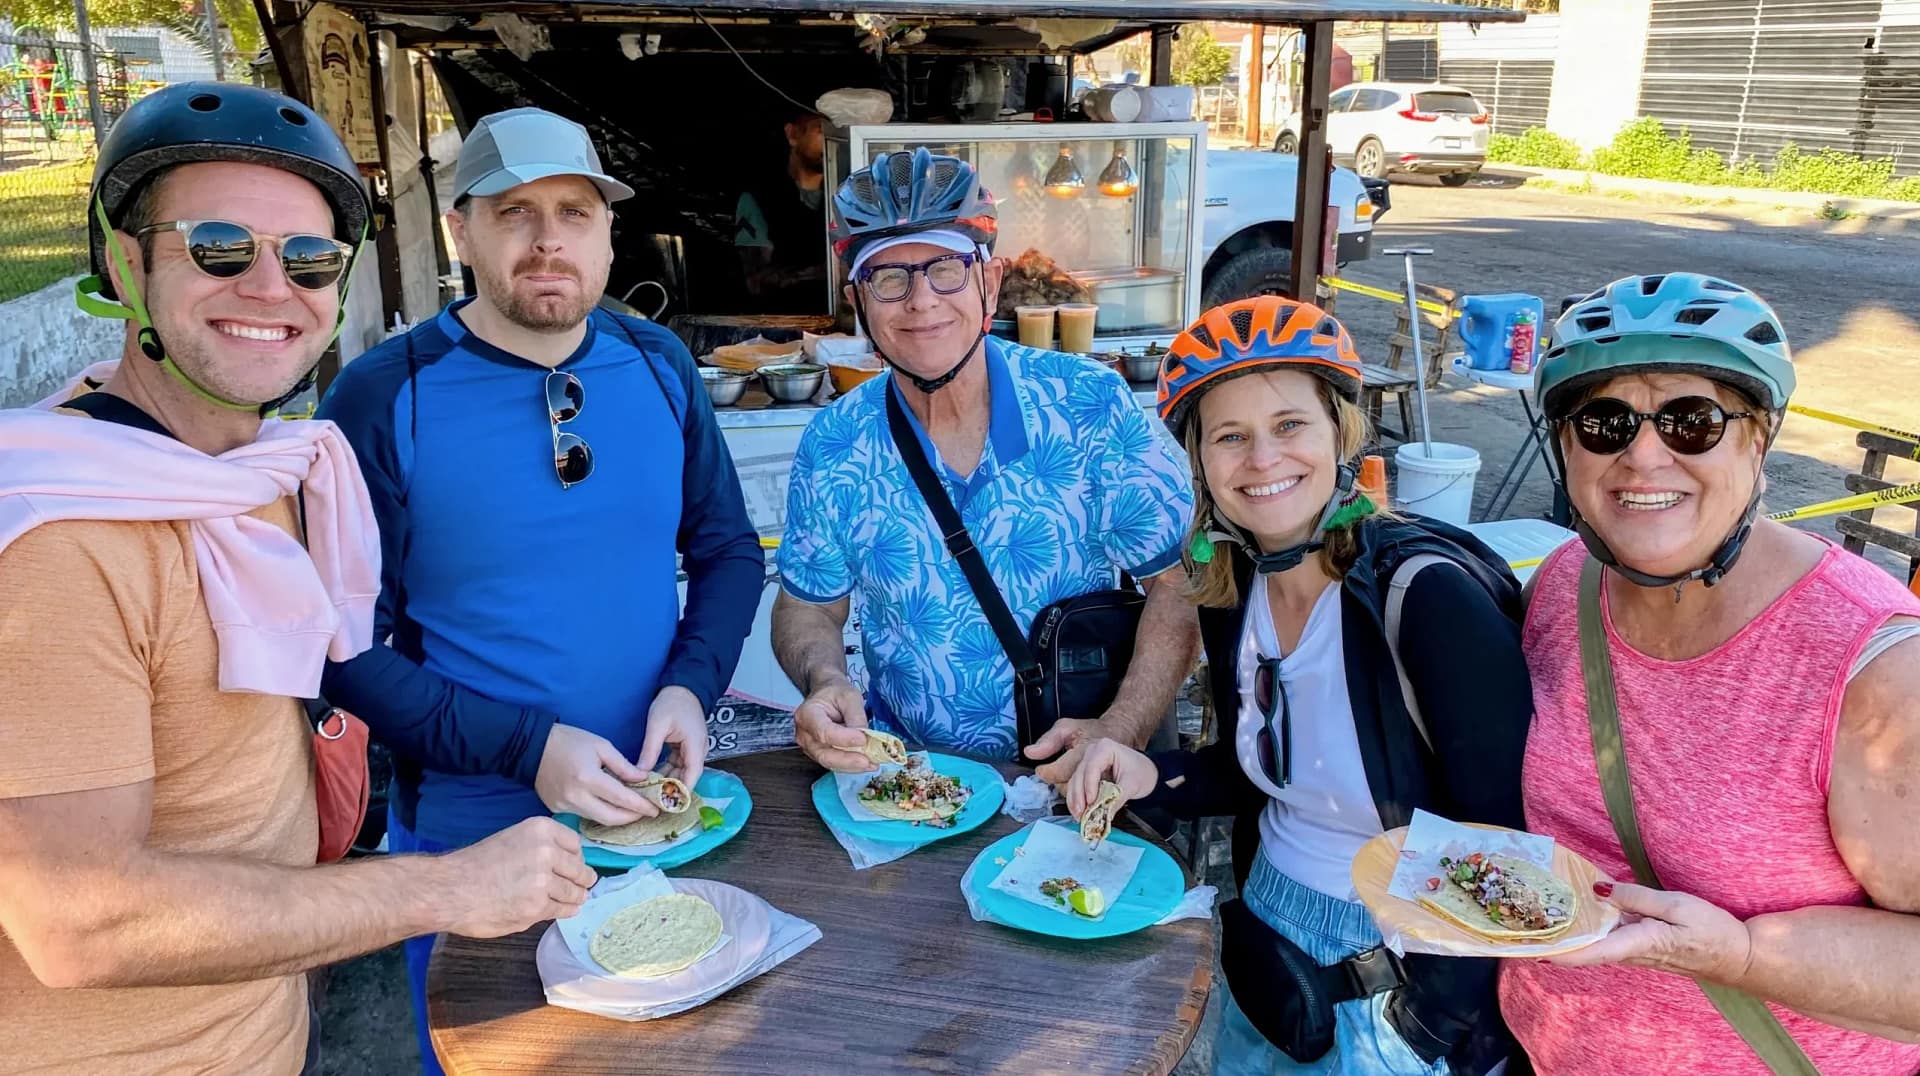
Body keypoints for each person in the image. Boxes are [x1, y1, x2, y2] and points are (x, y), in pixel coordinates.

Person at [0, 83, 595, 1076]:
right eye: (219, 245)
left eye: (309, 258)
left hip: (262, 1026)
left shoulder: (262, 474)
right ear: (124, 260)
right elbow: (78, 921)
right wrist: (444, 886)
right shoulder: (61, 539)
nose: (272, 288)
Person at [317, 106, 763, 1072]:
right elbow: (345, 650)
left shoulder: (658, 364)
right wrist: (531, 749)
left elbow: (727, 549)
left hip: (665, 817)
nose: (547, 239)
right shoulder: (382, 396)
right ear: (460, 230)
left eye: (575, 210)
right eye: (513, 211)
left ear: (609, 235)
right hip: (472, 849)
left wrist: (692, 684)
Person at [1064, 297, 1534, 1076]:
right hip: (1268, 952)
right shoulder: (1235, 584)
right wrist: (1153, 772)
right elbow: (1277, 775)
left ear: (1339, 435)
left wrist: (1429, 1023)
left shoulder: (1424, 599)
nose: (1261, 459)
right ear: (1201, 464)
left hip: (1396, 986)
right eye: (1230, 437)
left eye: (1289, 426)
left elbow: (1512, 841)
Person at [1501, 273, 1920, 1073]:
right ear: (1566, 446)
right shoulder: (1564, 586)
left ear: (1757, 441)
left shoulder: (1878, 668)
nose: (1643, 455)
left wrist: (1743, 956)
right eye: (1605, 421)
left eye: (1692, 422)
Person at [772, 147, 1198, 776]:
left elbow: (1181, 581)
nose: (920, 302)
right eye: (889, 278)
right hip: (911, 779)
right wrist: (825, 678)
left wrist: (1120, 730)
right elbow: (808, 602)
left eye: (945, 269)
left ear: (989, 283)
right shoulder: (837, 443)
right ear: (857, 301)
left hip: (1076, 772)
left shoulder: (1086, 405)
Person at [734, 107, 828, 313]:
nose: (833, 140)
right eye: (822, 130)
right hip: (782, 326)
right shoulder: (759, 197)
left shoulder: (846, 195)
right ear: (792, 134)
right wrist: (828, 273)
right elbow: (755, 281)